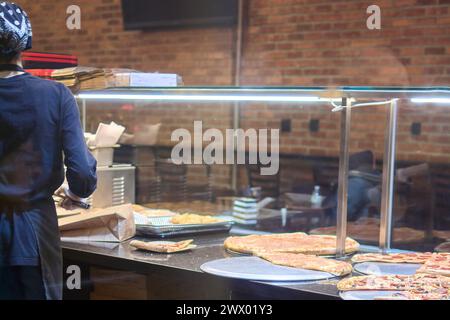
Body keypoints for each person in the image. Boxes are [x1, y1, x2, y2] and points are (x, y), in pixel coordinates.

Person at [0, 2, 97, 300]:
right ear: (24, 44)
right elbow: (81, 172)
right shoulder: (56, 94)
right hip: (35, 235)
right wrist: (77, 194)